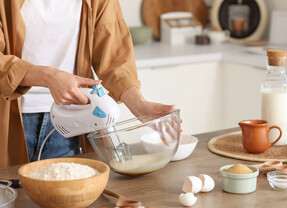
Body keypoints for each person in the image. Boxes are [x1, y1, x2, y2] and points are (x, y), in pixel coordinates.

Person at [0, 0, 174, 167]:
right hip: (8, 124)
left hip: (71, 121)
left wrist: (139, 104)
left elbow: (114, 54)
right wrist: (48, 77)